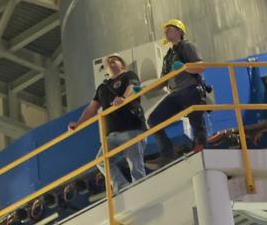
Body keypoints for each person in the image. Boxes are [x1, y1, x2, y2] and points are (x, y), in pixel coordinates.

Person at [72, 53, 147, 186]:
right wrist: (77, 124)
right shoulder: (102, 88)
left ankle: (139, 188)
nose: (111, 62)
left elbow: (133, 88)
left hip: (132, 128)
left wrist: (123, 97)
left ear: (122, 65)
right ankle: (122, 186)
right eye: (109, 62)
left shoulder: (129, 75)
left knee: (135, 164)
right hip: (111, 134)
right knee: (101, 160)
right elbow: (91, 108)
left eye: (115, 60)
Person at [145, 18, 209, 161]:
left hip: (190, 90)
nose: (166, 31)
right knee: (153, 120)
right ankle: (167, 154)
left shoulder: (187, 46)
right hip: (175, 94)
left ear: (180, 31)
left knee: (196, 122)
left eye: (170, 29)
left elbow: (201, 66)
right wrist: (143, 90)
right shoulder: (168, 56)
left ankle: (202, 148)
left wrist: (185, 67)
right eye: (165, 30)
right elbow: (163, 82)